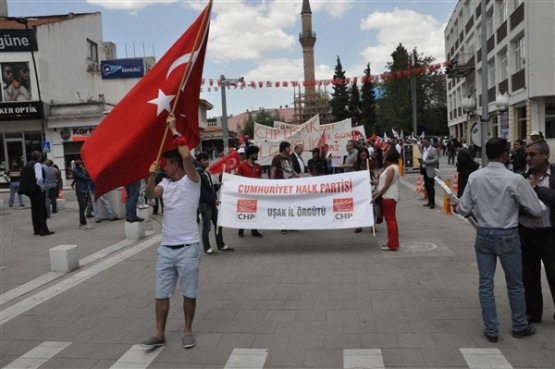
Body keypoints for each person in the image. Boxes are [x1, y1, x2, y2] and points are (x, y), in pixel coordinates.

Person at [455, 137, 546, 343]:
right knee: (515, 283)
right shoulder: (514, 179)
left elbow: (463, 208)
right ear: (506, 155)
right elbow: (537, 209)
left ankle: (491, 329)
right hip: (508, 234)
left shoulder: (475, 178)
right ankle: (519, 325)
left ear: (487, 154)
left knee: (485, 284)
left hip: (484, 233)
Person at [142, 114, 201, 349]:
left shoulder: (192, 181)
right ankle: (159, 334)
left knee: (189, 293)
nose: (165, 166)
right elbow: (149, 194)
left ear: (175, 165)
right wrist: (151, 174)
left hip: (188, 248)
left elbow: (186, 155)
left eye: (167, 164)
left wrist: (174, 130)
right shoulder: (164, 184)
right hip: (166, 248)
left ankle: (187, 330)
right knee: (161, 294)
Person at [519, 140, 555, 324]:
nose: (528, 158)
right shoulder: (521, 178)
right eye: (527, 155)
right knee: (529, 275)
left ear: (545, 155)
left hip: (550, 234)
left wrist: (537, 190)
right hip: (527, 233)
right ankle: (533, 313)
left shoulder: (553, 176)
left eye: (533, 154)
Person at [197, 152, 233, 254]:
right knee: (207, 227)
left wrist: (218, 186)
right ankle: (207, 248)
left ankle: (221, 244)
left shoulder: (206, 173)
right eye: (204, 160)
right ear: (199, 162)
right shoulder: (198, 174)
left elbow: (210, 188)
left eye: (207, 159)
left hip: (212, 203)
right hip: (205, 204)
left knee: (218, 224)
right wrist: (213, 200)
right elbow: (202, 192)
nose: (206, 161)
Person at [19, 151, 53, 236]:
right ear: (38, 157)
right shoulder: (37, 164)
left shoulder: (27, 165)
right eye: (40, 156)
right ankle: (43, 230)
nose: (41, 157)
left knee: (34, 210)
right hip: (37, 190)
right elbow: (39, 177)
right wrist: (41, 187)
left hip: (30, 191)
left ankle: (36, 229)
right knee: (42, 210)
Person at [372, 149, 401, 251]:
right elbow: (384, 183)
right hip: (389, 196)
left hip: (388, 196)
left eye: (386, 154)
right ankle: (392, 241)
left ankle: (393, 244)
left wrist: (376, 196)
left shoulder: (391, 169)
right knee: (391, 220)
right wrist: (376, 182)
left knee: (390, 220)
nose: (384, 155)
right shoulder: (392, 167)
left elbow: (386, 185)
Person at [236, 145, 264, 238]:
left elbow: (260, 179)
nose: (257, 155)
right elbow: (238, 179)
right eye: (255, 154)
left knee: (255, 211)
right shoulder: (242, 166)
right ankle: (241, 230)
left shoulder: (259, 167)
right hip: (245, 194)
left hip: (255, 193)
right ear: (250, 154)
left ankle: (254, 230)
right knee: (244, 212)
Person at [353, 147, 378, 233]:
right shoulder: (356, 164)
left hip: (370, 187)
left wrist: (375, 179)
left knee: (371, 206)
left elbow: (375, 173)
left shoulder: (371, 163)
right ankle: (359, 225)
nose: (363, 156)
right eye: (362, 155)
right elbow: (354, 175)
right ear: (359, 156)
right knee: (359, 206)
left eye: (365, 155)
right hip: (360, 188)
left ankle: (372, 225)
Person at [72, 158, 93, 230]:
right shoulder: (75, 170)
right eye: (79, 162)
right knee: (82, 207)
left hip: (84, 189)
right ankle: (82, 223)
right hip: (80, 190)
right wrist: (84, 170)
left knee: (84, 206)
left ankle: (83, 222)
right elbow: (84, 177)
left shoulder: (80, 169)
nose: (80, 163)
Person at [418, 137, 439, 209]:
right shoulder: (423, 149)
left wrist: (425, 162)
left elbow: (436, 160)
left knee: (431, 187)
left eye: (424, 142)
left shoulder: (433, 150)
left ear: (428, 142)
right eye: (422, 142)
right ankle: (429, 201)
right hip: (424, 170)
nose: (423, 143)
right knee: (427, 187)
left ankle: (432, 203)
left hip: (430, 171)